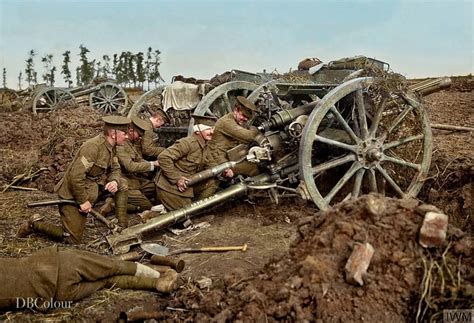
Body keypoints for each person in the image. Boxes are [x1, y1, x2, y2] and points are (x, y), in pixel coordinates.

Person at [17, 116, 131, 243]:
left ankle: (121, 227)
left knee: (122, 184)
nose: (127, 136)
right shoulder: (93, 147)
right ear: (113, 134)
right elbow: (75, 177)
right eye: (124, 133)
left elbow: (115, 168)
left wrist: (114, 181)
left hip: (93, 187)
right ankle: (35, 224)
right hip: (73, 193)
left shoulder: (112, 146)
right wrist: (83, 201)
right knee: (72, 239)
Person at [0, 246, 178, 310]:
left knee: (106, 282)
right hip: (55, 266)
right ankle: (157, 277)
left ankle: (156, 284)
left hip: (54, 297)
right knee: (112, 266)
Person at [199, 96, 260, 198]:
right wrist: (254, 128)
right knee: (253, 169)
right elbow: (249, 137)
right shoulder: (226, 122)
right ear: (236, 110)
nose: (245, 119)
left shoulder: (235, 121)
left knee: (253, 165)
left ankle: (248, 195)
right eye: (243, 116)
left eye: (247, 118)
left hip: (225, 157)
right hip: (216, 160)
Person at [155, 115, 216, 211]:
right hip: (170, 187)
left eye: (213, 129)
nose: (212, 132)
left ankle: (196, 209)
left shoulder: (205, 146)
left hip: (187, 185)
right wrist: (177, 179)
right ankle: (150, 214)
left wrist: (225, 170)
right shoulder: (187, 143)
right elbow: (163, 157)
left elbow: (210, 163)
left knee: (211, 182)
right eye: (208, 129)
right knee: (184, 219)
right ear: (197, 131)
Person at [116, 116, 160, 212]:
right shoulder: (120, 145)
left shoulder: (129, 143)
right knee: (147, 206)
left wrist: (154, 164)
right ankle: (112, 204)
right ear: (131, 131)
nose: (139, 138)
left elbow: (138, 159)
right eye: (138, 135)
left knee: (156, 187)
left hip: (132, 180)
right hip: (122, 181)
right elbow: (130, 166)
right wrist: (152, 164)